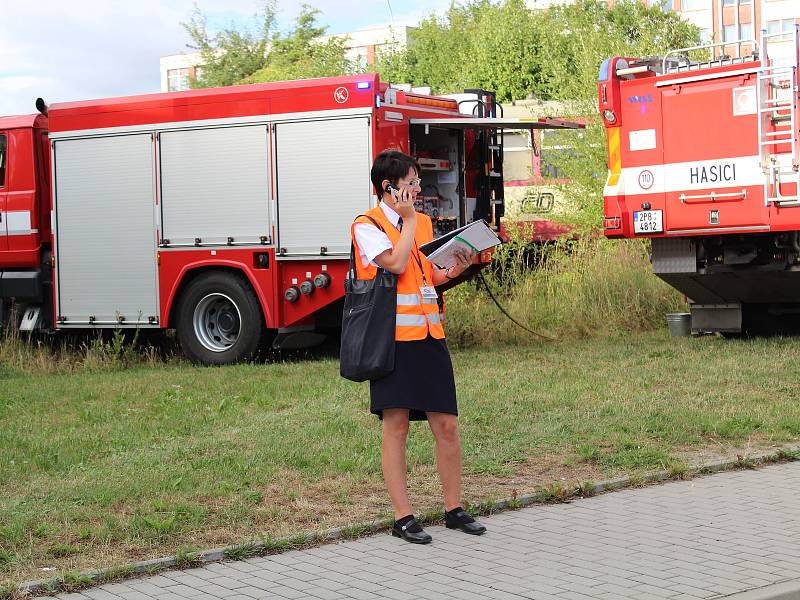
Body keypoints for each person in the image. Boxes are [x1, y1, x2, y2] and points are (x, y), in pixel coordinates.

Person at [350, 149, 486, 544]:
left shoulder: (423, 224)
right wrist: (407, 221)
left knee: (447, 425)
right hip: (392, 343)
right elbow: (393, 262)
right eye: (411, 184)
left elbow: (429, 276)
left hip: (429, 337)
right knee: (397, 427)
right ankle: (403, 516)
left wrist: (458, 266)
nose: (418, 190)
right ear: (388, 189)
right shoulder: (367, 225)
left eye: (417, 183)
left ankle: (453, 509)